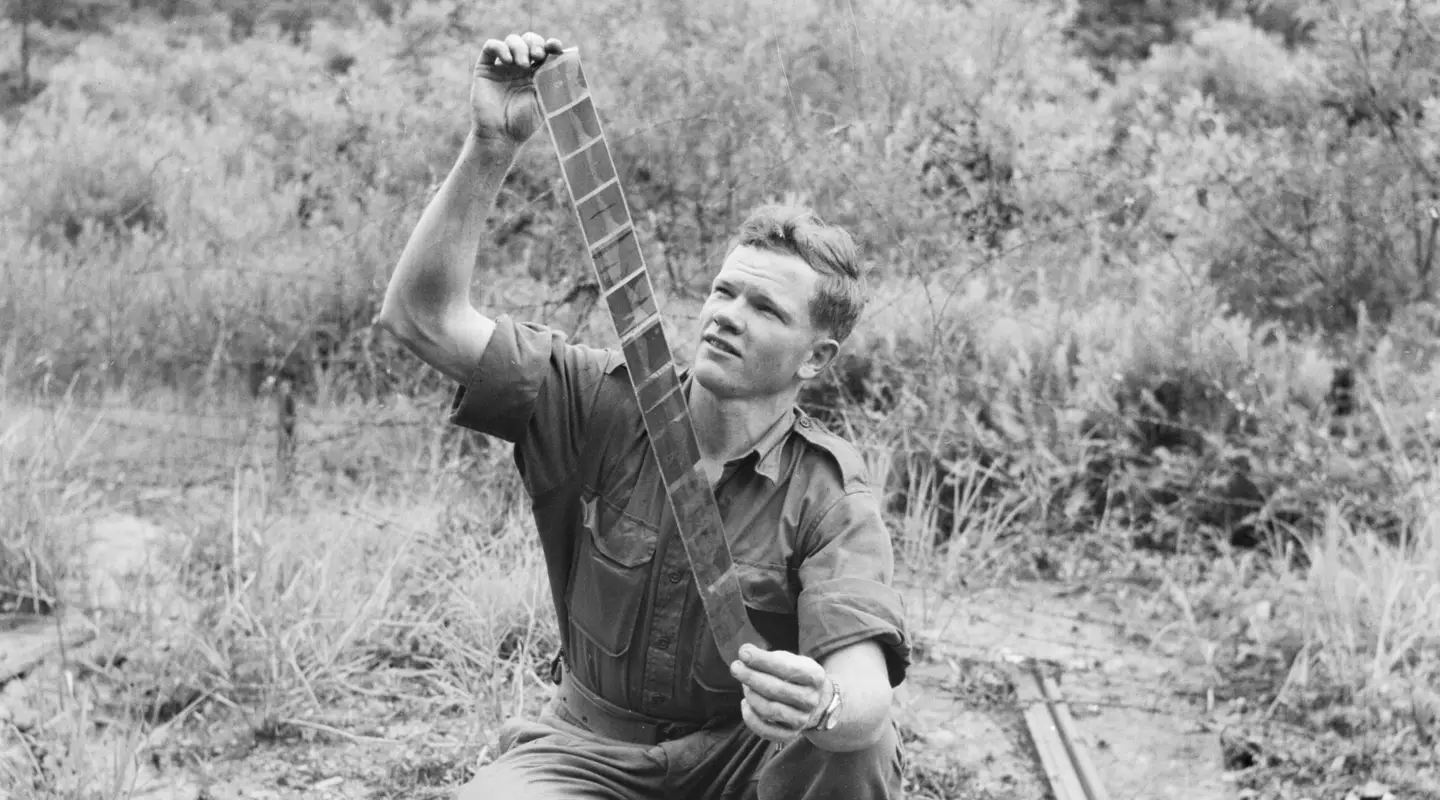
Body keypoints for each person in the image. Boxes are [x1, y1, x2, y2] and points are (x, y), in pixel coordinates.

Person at [376, 31, 911, 800]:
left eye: (764, 307)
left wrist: (822, 702)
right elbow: (420, 317)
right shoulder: (596, 400)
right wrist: (490, 145)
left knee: (856, 749)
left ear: (816, 359)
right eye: (725, 292)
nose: (727, 315)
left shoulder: (828, 493)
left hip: (746, 758)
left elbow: (863, 697)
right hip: (590, 749)